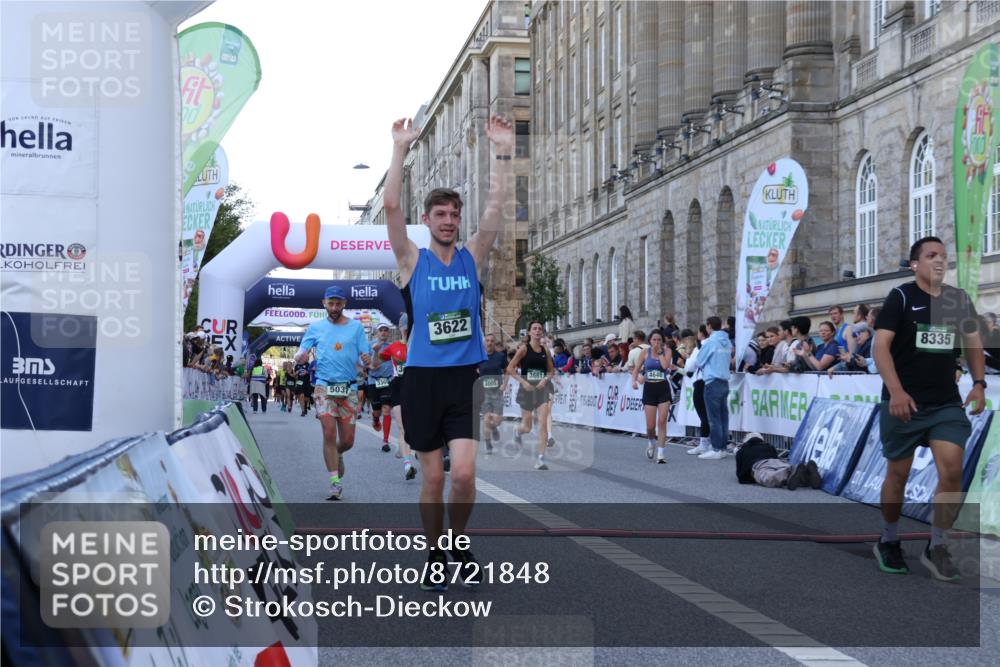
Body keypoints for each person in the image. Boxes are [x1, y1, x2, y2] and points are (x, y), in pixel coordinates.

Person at [384, 114, 512, 590]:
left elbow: (497, 205)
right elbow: (392, 205)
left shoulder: (471, 256)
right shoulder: (410, 260)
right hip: (422, 380)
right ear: (427, 221)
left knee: (463, 475)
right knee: (433, 481)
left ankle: (457, 545)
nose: (449, 221)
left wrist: (502, 151)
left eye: (454, 215)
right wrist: (399, 148)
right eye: (440, 215)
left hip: (464, 379)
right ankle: (435, 550)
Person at [871, 236, 985, 582]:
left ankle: (937, 545)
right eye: (931, 255)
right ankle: (888, 539)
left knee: (951, 471)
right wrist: (897, 392)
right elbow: (880, 348)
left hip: (945, 404)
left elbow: (973, 342)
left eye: (943, 256)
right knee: (898, 475)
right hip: (904, 403)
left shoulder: (957, 299)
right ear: (915, 264)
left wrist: (979, 384)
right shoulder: (901, 297)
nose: (939, 261)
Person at [294, 285, 372, 501]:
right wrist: (299, 357)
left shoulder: (356, 328)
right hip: (323, 387)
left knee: (347, 441)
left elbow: (365, 355)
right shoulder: (315, 328)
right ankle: (335, 483)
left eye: (339, 303)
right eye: (331, 303)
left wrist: (367, 360)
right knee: (328, 433)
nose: (335, 307)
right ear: (324, 304)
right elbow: (301, 352)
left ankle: (338, 453)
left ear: (345, 304)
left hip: (348, 388)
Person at [508, 321, 556, 470]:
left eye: (540, 329)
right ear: (529, 333)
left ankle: (540, 458)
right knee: (527, 427)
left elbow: (551, 371)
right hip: (527, 390)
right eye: (534, 329)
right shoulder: (523, 349)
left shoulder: (545, 351)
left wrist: (545, 379)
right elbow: (510, 368)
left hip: (541, 390)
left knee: (542, 423)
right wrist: (523, 382)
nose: (537, 331)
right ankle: (518, 431)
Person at [631, 330, 674, 464]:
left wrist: (660, 352)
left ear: (662, 341)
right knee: (650, 426)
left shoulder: (667, 351)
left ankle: (661, 454)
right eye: (654, 340)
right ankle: (651, 442)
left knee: (662, 421)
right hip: (649, 389)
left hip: (663, 388)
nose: (656, 342)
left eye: (659, 340)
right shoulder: (645, 353)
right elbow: (636, 368)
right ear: (650, 341)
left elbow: (665, 366)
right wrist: (635, 380)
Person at [383, 314, 417, 480]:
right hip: (398, 386)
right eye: (405, 326)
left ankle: (409, 446)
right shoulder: (394, 346)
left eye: (410, 326)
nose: (407, 329)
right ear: (401, 328)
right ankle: (408, 465)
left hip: (417, 387)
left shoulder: (421, 345)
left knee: (416, 426)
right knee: (403, 427)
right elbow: (377, 362)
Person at [694, 316, 732, 460]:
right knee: (723, 417)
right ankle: (722, 447)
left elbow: (699, 361)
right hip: (724, 381)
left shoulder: (711, 342)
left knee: (714, 418)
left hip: (712, 381)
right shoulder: (727, 341)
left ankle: (717, 448)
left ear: (709, 326)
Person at [368, 323, 396, 451]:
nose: (383, 332)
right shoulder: (370, 345)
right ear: (376, 333)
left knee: (386, 409)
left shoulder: (392, 347)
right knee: (377, 411)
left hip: (388, 381)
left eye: (386, 330)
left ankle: (385, 441)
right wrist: (370, 365)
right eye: (381, 330)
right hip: (373, 381)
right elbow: (363, 362)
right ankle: (375, 418)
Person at [478, 333, 508, 455]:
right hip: (484, 392)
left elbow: (508, 371)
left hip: (497, 392)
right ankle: (488, 442)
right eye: (487, 341)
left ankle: (494, 427)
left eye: (491, 341)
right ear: (484, 342)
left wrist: (504, 385)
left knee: (497, 419)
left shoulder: (500, 356)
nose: (489, 343)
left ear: (494, 343)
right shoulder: (479, 357)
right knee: (486, 418)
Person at [686, 325, 712, 455]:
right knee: (712, 413)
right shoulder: (716, 344)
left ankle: (704, 444)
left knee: (703, 414)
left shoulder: (700, 347)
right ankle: (712, 442)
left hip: (701, 381)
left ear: (701, 334)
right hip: (713, 380)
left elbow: (690, 366)